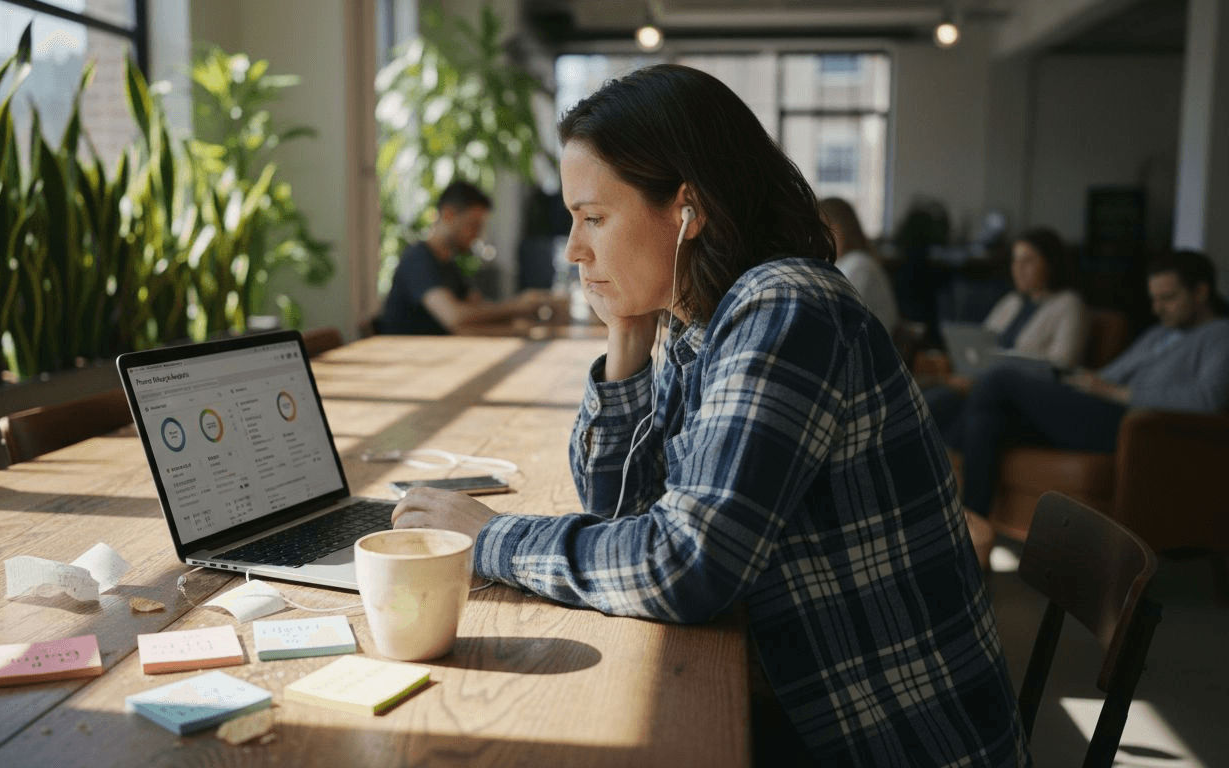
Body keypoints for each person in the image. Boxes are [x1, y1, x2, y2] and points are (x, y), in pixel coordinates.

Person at [391, 65, 1027, 766]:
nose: (574, 251)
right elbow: (622, 512)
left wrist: (491, 538)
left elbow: (681, 565)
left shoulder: (784, 307)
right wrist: (625, 336)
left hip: (886, 739)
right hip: (813, 700)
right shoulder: (706, 321)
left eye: (593, 219)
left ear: (686, 210)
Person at [953, 250, 1229, 564]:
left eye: (1168, 298)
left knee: (999, 379)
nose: (1157, 308)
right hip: (1100, 408)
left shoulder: (1220, 336)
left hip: (1131, 426)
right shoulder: (1159, 334)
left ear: (1201, 292)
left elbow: (1208, 399)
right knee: (989, 419)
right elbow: (1108, 377)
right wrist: (1077, 381)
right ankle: (969, 540)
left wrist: (1122, 393)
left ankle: (946, 459)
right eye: (1154, 299)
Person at [923, 227, 1087, 435]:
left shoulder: (1068, 304)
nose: (1018, 268)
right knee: (927, 403)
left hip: (1018, 397)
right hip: (980, 387)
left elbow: (1060, 366)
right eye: (1015, 261)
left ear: (1050, 264)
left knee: (942, 411)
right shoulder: (1011, 302)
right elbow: (980, 345)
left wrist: (988, 380)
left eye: (1028, 261)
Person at [379, 180, 553, 334]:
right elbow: (455, 317)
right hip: (410, 362)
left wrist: (526, 320)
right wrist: (517, 307)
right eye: (473, 225)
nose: (477, 235)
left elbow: (478, 308)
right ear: (448, 215)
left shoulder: (448, 263)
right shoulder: (417, 260)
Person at [819, 197, 899, 332]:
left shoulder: (859, 265)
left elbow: (839, 316)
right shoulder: (849, 262)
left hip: (871, 349)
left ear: (838, 230)